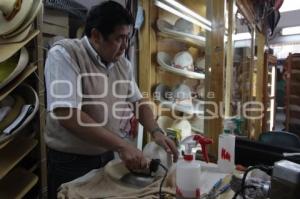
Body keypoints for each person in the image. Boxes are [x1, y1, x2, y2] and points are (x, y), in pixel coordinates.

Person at [44, 1, 178, 198]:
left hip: (106, 155)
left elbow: (138, 102)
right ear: (96, 36)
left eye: (128, 38)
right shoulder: (65, 54)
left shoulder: (121, 63)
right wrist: (122, 145)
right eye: (120, 38)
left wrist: (156, 131)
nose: (125, 46)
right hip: (71, 162)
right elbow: (68, 115)